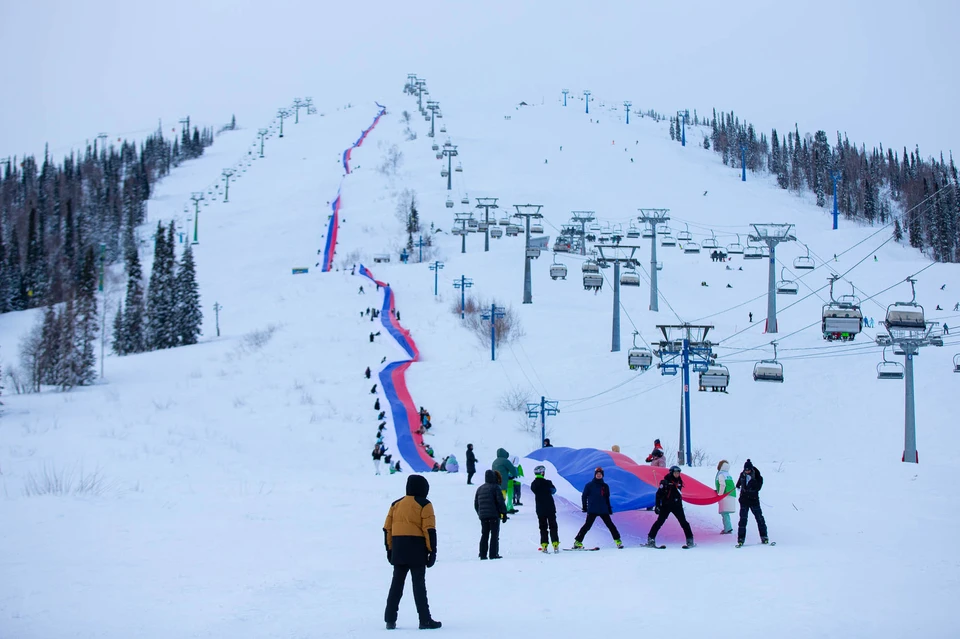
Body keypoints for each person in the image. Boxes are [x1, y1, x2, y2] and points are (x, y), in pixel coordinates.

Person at [383, 475, 441, 630]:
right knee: (419, 586)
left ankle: (390, 619)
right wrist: (432, 551)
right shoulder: (425, 504)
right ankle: (424, 620)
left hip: (399, 548)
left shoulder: (396, 504)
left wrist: (390, 549)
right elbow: (429, 530)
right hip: (416, 549)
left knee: (396, 585)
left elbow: (387, 529)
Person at [573, 467, 622, 549]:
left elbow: (607, 498)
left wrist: (609, 509)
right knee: (587, 526)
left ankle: (618, 541)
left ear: (602, 475)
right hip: (592, 509)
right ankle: (577, 542)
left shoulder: (605, 486)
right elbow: (584, 496)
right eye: (597, 474)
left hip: (603, 509)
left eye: (600, 474)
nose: (599, 475)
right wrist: (585, 507)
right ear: (595, 475)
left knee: (610, 525)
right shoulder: (589, 485)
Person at [646, 466, 695, 548]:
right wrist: (657, 505)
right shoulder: (665, 482)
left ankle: (690, 539)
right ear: (672, 472)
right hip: (666, 505)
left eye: (678, 473)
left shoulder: (679, 481)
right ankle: (651, 538)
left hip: (677, 505)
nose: (677, 474)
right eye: (675, 473)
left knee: (684, 522)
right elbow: (658, 494)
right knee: (659, 522)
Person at [474, 470, 508, 559]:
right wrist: (504, 513)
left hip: (483, 516)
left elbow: (476, 503)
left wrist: (480, 513)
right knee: (494, 534)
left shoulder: (480, 488)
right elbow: (500, 501)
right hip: (494, 515)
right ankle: (493, 554)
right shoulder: (496, 487)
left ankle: (482, 554)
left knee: (484, 534)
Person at [736, 459, 768, 545]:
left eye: (748, 470)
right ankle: (741, 539)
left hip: (754, 501)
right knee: (743, 520)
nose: (747, 471)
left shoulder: (757, 476)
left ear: (751, 469)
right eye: (745, 470)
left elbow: (758, 487)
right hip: (744, 500)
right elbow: (738, 484)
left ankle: (764, 537)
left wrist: (752, 484)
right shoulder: (742, 475)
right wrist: (739, 487)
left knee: (759, 519)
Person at [530, 465, 560, 553]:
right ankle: (555, 544)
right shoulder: (548, 482)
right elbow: (553, 491)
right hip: (550, 507)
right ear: (543, 473)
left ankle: (544, 545)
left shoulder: (533, 484)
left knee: (543, 527)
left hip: (540, 508)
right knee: (553, 526)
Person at [491, 448, 519, 513]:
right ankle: (501, 513)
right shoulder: (505, 461)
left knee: (498, 498)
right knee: (502, 498)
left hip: (495, 483)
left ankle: (500, 511)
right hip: (503, 483)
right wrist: (514, 474)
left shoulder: (495, 461)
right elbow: (513, 470)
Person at [715, 460, 737, 534]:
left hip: (725, 496)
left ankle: (727, 528)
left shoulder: (721, 475)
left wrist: (720, 494)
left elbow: (722, 485)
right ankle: (728, 527)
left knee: (724, 513)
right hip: (731, 494)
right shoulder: (727, 474)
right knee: (726, 513)